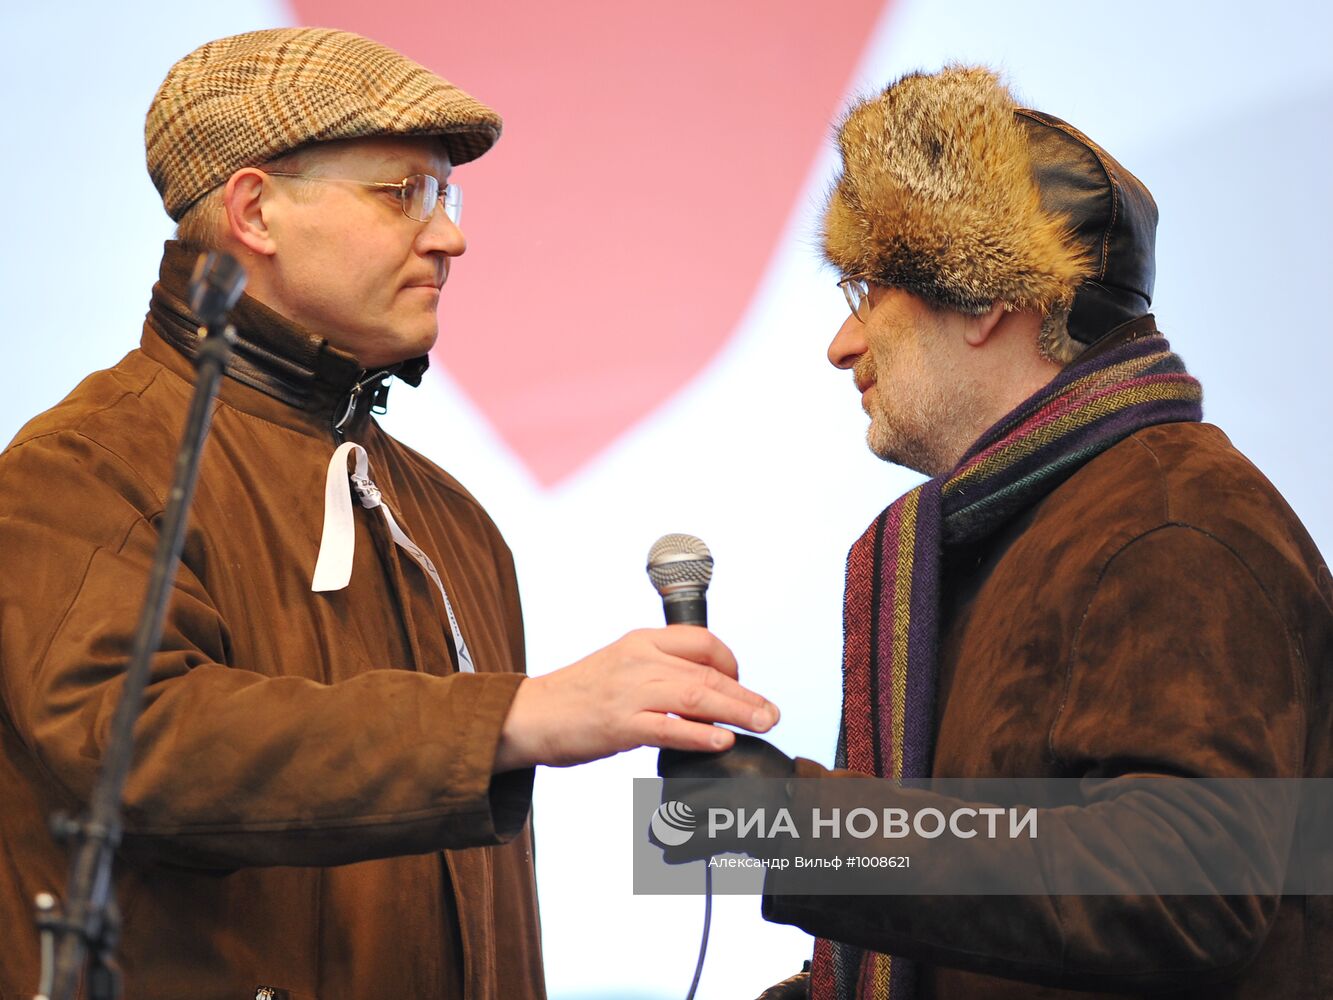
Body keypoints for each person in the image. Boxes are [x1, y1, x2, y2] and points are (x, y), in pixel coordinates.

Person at [0, 27, 779, 999]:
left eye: (446, 195)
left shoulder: (457, 524)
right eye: (401, 191)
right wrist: (515, 716)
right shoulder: (81, 467)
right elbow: (135, 749)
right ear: (255, 211)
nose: (450, 235)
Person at [658, 66, 1331, 998]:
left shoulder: (1171, 522)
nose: (840, 343)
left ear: (980, 299)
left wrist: (797, 822)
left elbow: (1183, 886)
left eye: (865, 290)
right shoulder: (1036, 525)